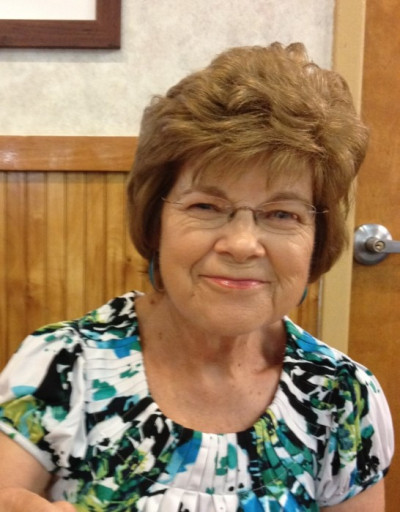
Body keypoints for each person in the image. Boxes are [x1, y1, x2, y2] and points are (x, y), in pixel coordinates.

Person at [0, 42, 394, 512]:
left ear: (317, 240)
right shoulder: (63, 364)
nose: (242, 244)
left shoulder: (342, 397)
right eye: (206, 206)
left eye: (282, 214)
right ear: (155, 223)